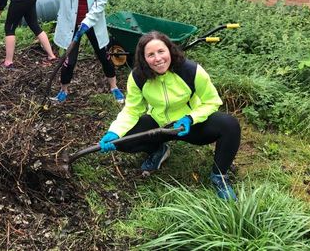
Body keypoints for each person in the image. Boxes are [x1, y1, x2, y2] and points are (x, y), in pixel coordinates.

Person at [98, 31, 241, 200]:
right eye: (150, 55)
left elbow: (212, 101)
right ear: (144, 58)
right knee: (122, 140)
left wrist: (190, 118)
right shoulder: (138, 77)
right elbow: (132, 110)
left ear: (170, 50)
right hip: (159, 125)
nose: (157, 58)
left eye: (161, 51)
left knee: (230, 125)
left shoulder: (191, 70)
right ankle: (158, 150)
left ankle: (219, 176)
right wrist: (114, 132)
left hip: (189, 126)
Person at [16, 0, 124, 104]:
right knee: (68, 60)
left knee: (104, 56)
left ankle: (114, 87)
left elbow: (101, 1)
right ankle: (63, 91)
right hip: (71, 23)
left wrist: (87, 23)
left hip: (93, 23)